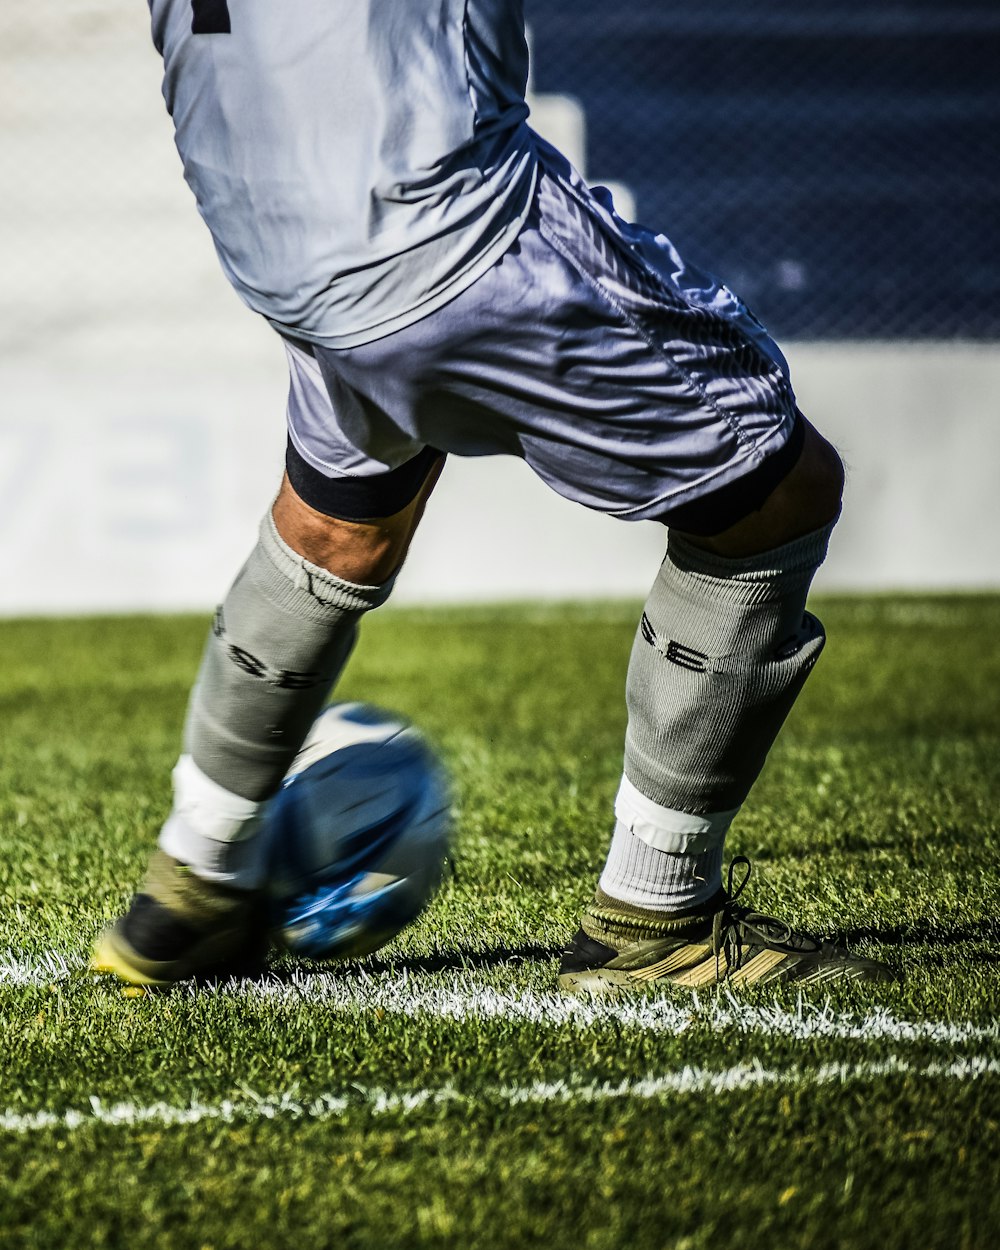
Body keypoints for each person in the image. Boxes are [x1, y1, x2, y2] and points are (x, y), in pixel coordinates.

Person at [93, 0, 891, 990]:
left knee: (340, 525)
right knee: (778, 489)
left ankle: (191, 885)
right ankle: (654, 913)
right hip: (449, 217)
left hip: (273, 229)